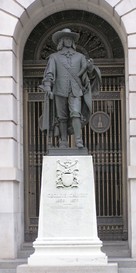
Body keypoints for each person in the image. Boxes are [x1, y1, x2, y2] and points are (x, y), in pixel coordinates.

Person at [39, 28, 101, 148]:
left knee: (76, 113)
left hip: (75, 90)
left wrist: (90, 68)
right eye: (66, 38)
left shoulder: (80, 57)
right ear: (61, 41)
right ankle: (63, 141)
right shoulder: (54, 57)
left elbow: (86, 76)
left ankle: (78, 140)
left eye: (70, 38)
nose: (68, 40)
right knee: (62, 117)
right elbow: (49, 74)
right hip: (59, 90)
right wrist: (48, 87)